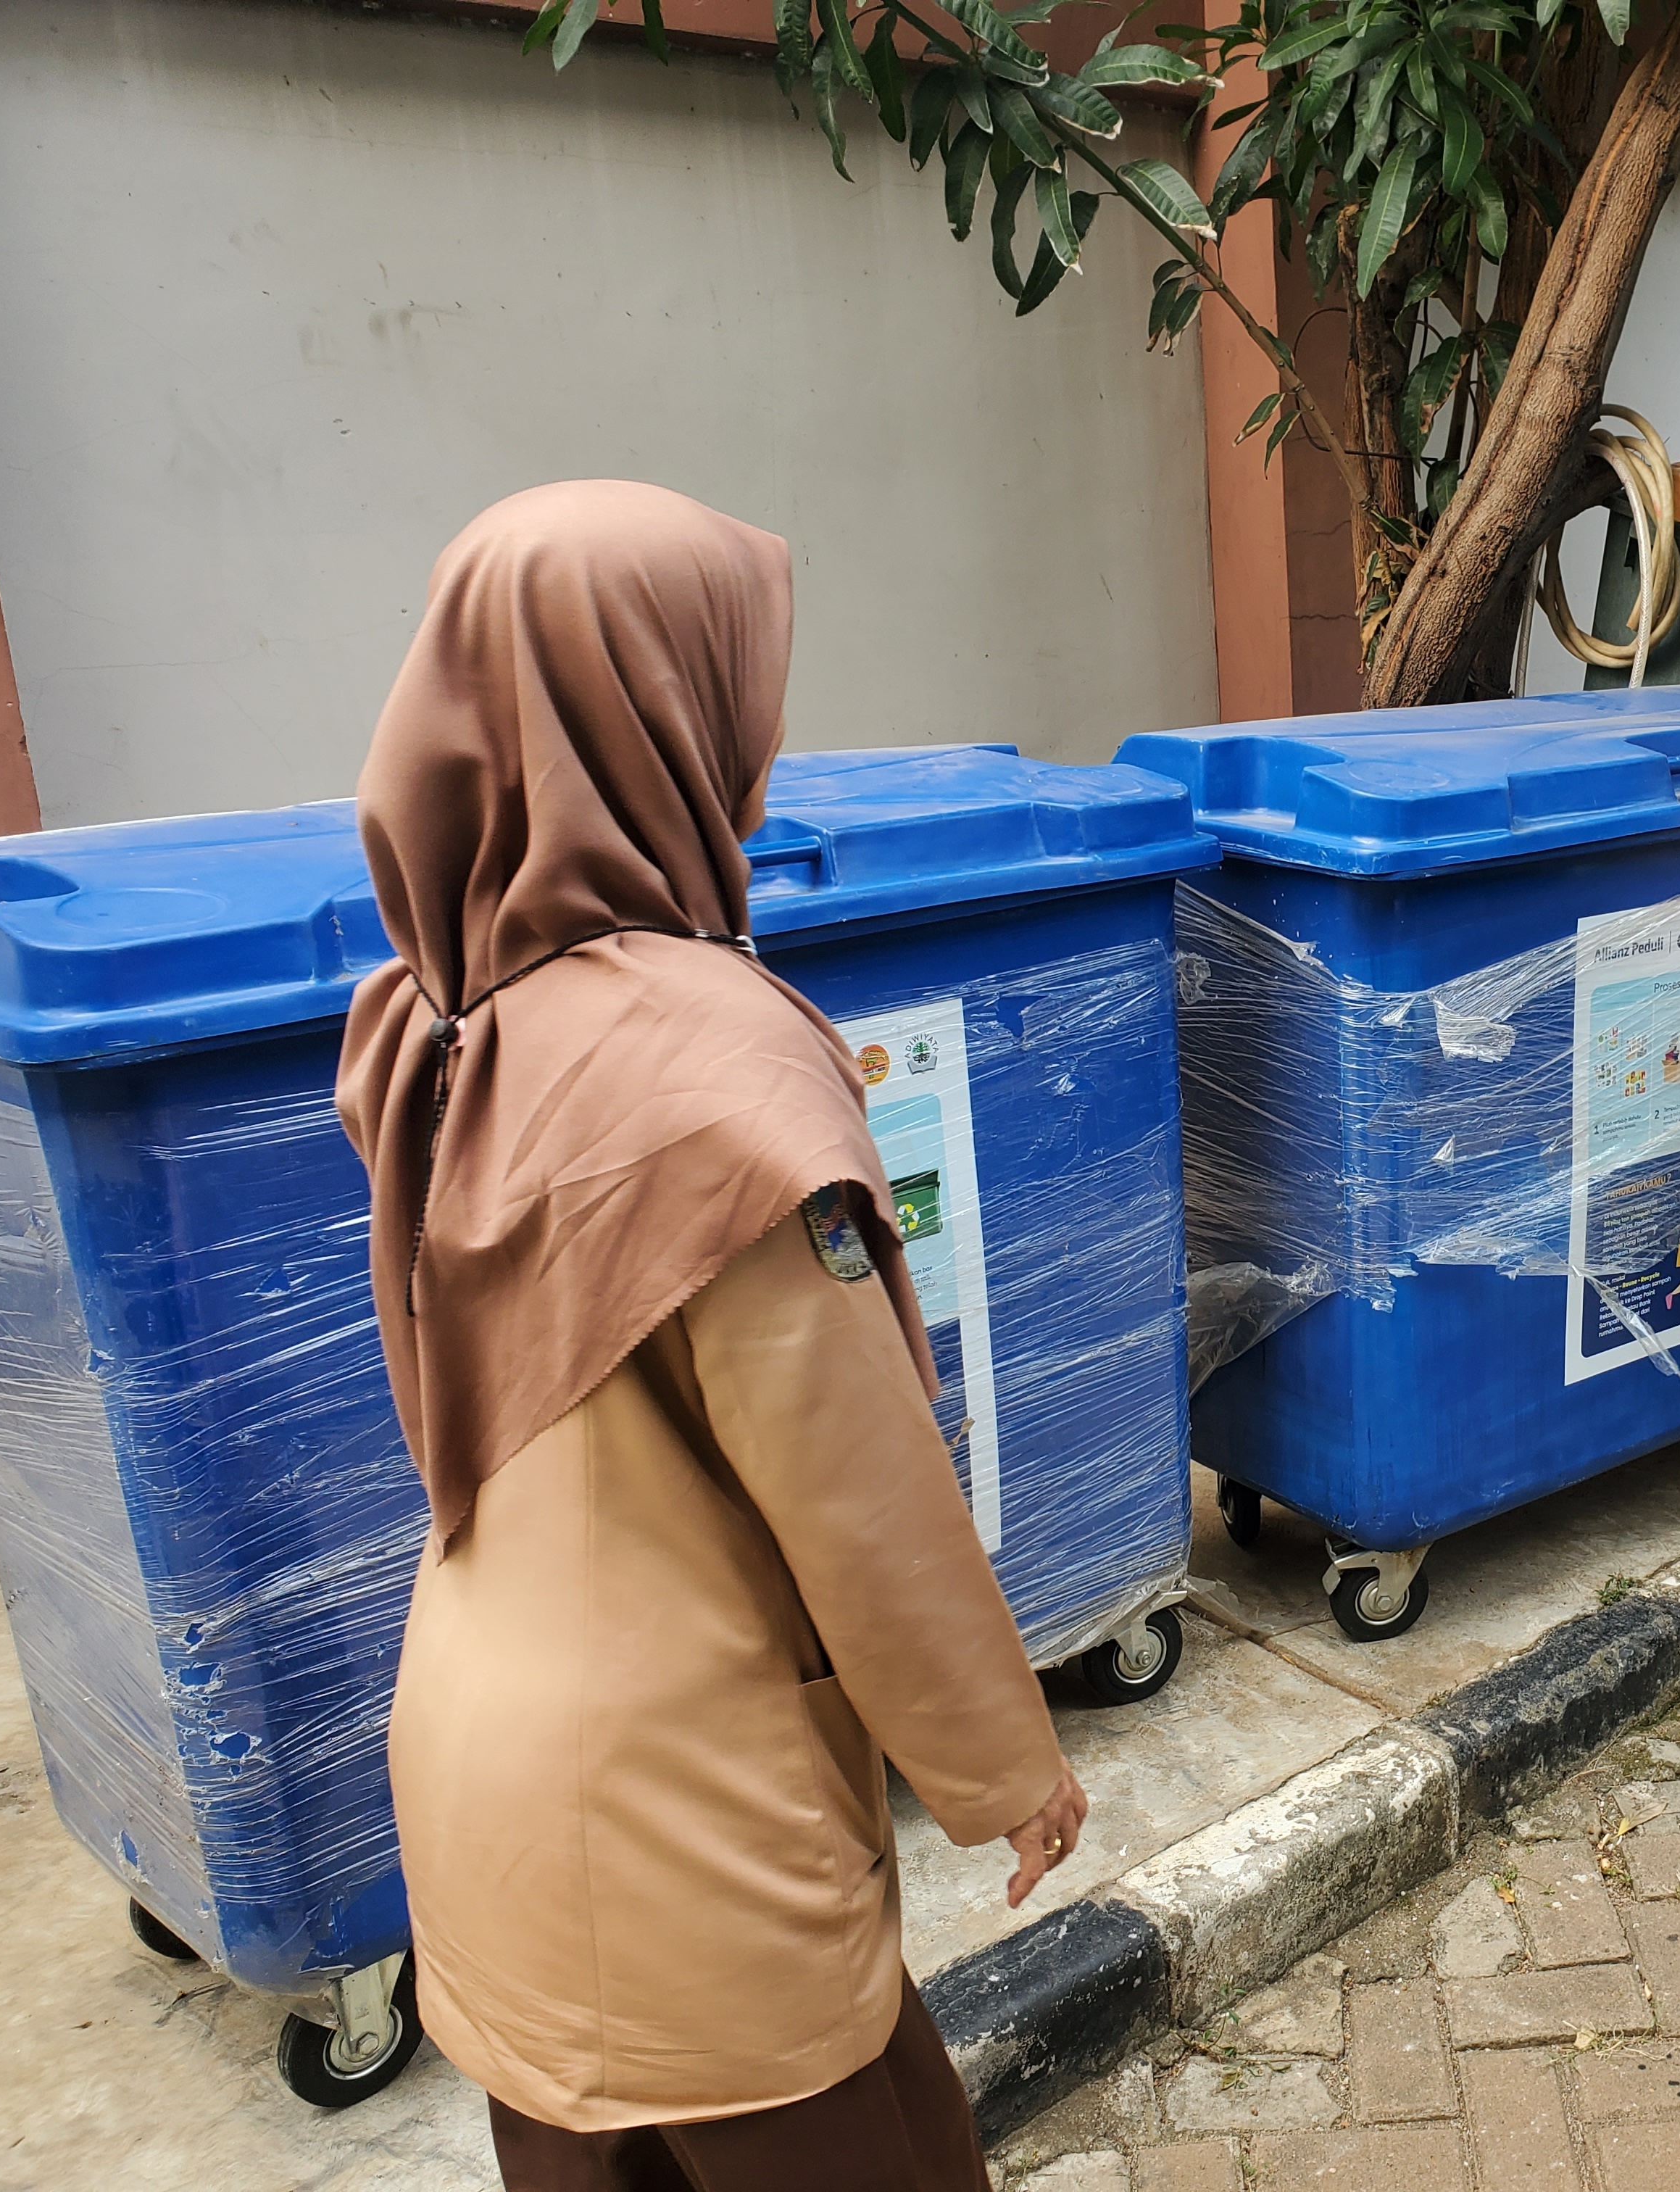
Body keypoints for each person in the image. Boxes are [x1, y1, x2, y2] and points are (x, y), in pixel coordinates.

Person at [337, 481, 1086, 2191]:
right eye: (734, 686)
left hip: (480, 1783)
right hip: (680, 1821)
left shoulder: (436, 1020)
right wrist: (1003, 1765)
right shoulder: (708, 1077)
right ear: (647, 713)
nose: (763, 737)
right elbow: (856, 1491)